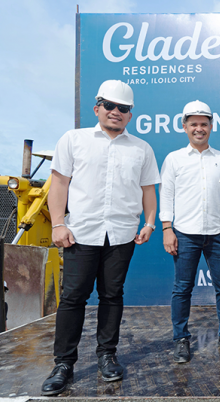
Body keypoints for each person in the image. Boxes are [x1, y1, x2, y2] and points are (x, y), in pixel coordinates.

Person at [41, 80, 160, 396]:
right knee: (73, 297)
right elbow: (59, 184)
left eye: (123, 108)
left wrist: (149, 222)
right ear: (97, 108)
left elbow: (148, 190)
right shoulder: (73, 140)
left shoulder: (141, 149)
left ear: (130, 115)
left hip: (120, 235)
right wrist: (57, 224)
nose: (116, 112)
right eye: (110, 106)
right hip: (80, 233)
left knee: (112, 295)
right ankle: (64, 364)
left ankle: (107, 355)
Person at [160, 100, 220, 364]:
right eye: (194, 124)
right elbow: (166, 195)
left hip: (218, 233)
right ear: (184, 127)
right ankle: (181, 339)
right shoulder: (174, 159)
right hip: (185, 233)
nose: (199, 128)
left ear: (211, 126)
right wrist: (167, 228)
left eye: (204, 124)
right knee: (182, 288)